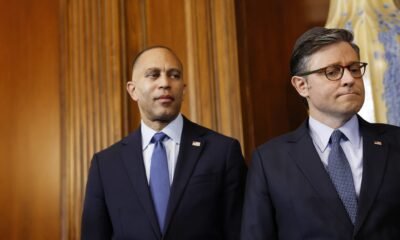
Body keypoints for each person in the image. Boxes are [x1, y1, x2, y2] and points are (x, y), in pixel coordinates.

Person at [241, 27, 400, 239]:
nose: (349, 79)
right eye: (333, 72)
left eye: (354, 68)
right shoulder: (269, 161)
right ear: (302, 85)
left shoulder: (396, 142)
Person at [81, 46, 246, 239]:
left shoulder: (222, 152)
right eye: (153, 75)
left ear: (183, 89)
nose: (165, 83)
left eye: (174, 75)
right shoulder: (106, 164)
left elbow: (240, 231)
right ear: (133, 90)